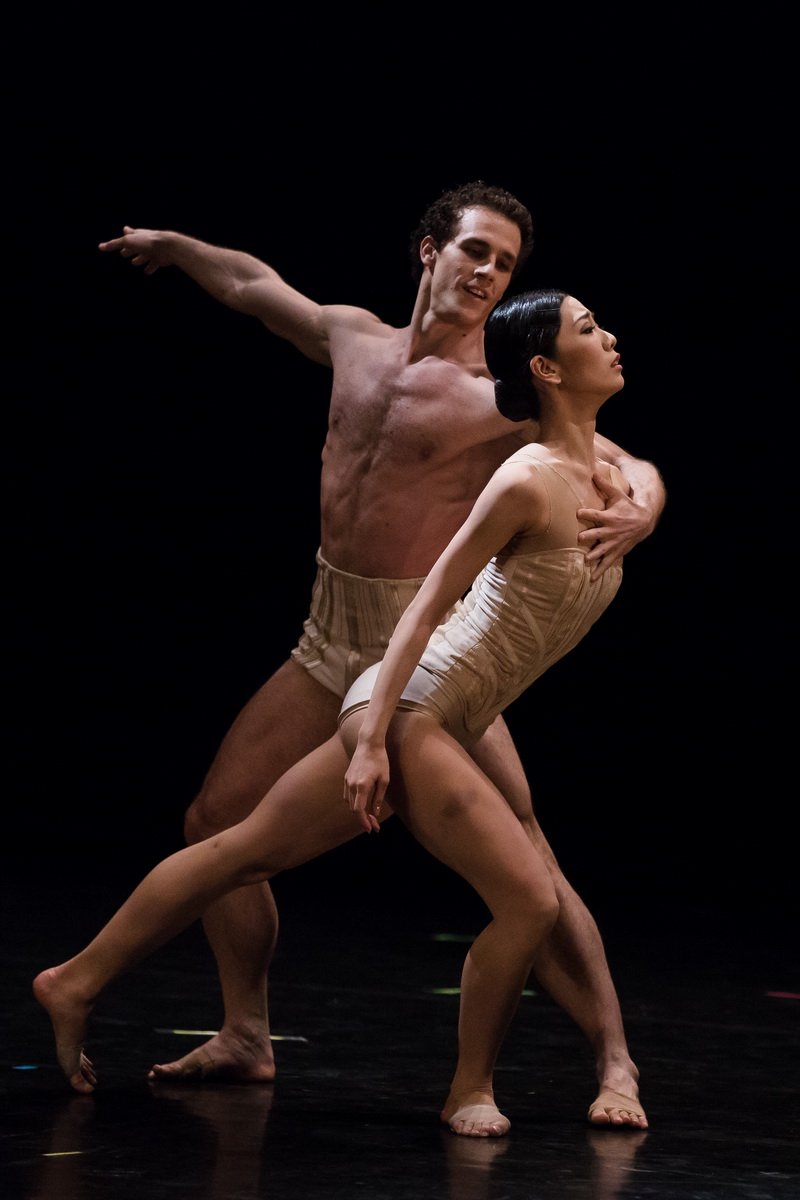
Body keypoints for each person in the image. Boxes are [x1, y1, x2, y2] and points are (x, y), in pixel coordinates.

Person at [93, 182, 662, 1127]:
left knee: (531, 865)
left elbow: (620, 455)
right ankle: (245, 1032)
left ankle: (616, 1063)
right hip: (328, 638)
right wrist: (176, 244)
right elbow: (251, 286)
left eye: (506, 264)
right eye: (476, 251)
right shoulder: (354, 338)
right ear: (430, 250)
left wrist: (643, 509)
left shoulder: (500, 395)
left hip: (423, 651)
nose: (489, 273)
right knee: (215, 819)